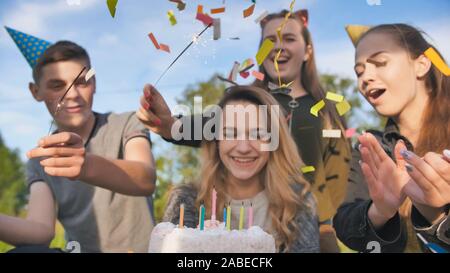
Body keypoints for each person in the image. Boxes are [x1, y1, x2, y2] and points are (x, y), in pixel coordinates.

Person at [136, 9, 351, 252]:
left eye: (289, 38)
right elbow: (206, 127)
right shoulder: (243, 99)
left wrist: (328, 220)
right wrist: (169, 124)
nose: (278, 47)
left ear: (308, 50)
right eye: (270, 41)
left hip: (302, 218)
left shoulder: (327, 110)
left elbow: (341, 172)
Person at [0, 40, 157, 253]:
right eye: (57, 85)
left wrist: (86, 166)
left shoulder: (126, 123)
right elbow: (41, 231)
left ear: (95, 83)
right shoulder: (40, 160)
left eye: (82, 82)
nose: (72, 94)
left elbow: (145, 178)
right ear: (36, 91)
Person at [148, 85, 320, 252]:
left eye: (258, 134)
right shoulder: (186, 201)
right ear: (216, 140)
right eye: (230, 133)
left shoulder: (299, 203)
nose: (243, 147)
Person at [333, 23, 450, 253]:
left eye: (380, 63)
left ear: (422, 64)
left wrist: (436, 215)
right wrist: (380, 211)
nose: (365, 78)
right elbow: (344, 223)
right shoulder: (371, 146)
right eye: (359, 71)